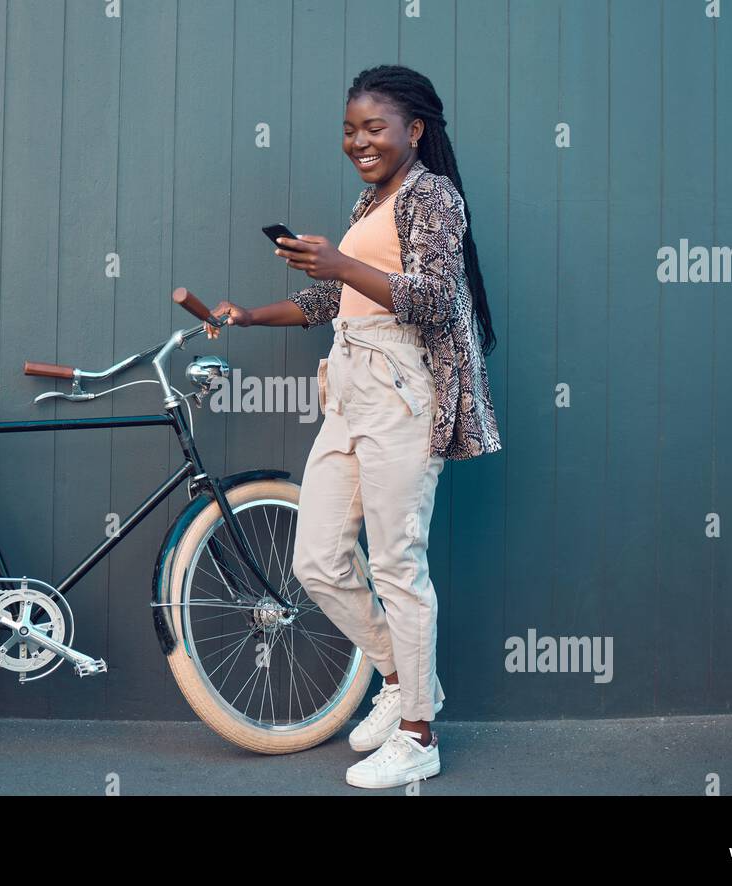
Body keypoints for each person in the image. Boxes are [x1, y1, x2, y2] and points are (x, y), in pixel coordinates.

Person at [203, 64, 501, 789]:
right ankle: (405, 680)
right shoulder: (372, 200)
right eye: (349, 129)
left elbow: (432, 299)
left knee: (398, 562)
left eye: (374, 128)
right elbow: (330, 298)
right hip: (348, 385)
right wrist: (246, 315)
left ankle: (418, 734)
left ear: (415, 131)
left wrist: (339, 262)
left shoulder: (434, 196)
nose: (359, 141)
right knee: (317, 561)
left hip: (401, 389)